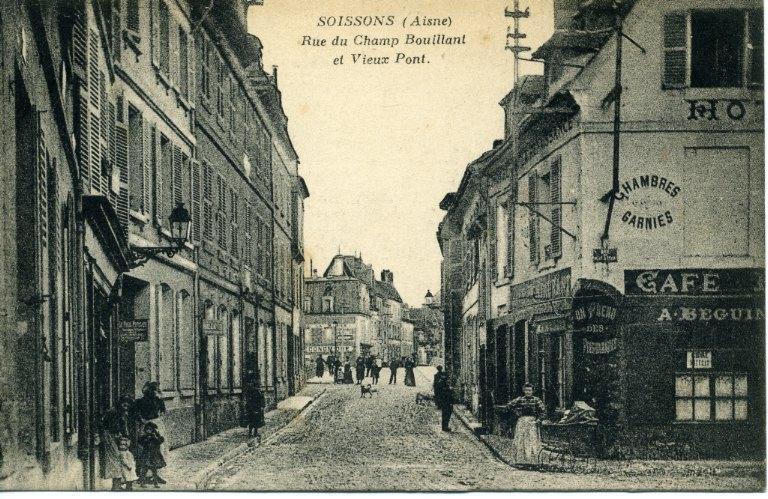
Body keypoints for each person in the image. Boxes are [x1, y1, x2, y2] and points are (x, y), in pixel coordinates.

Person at [134, 382, 168, 485]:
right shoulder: (140, 401)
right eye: (154, 389)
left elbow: (163, 411)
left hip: (157, 424)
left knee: (159, 449)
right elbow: (136, 413)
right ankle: (144, 475)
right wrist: (142, 420)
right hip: (146, 426)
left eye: (156, 390)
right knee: (145, 449)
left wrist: (159, 418)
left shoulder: (158, 400)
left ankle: (156, 475)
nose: (155, 391)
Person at [507, 383, 546, 468]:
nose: (528, 392)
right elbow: (509, 406)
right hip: (522, 422)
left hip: (532, 422)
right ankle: (520, 461)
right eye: (526, 390)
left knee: (532, 440)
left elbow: (543, 412)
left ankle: (534, 462)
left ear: (532, 391)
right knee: (521, 440)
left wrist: (538, 420)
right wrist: (517, 413)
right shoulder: (520, 399)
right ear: (523, 391)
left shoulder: (536, 400)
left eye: (530, 390)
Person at [101, 396, 135, 490]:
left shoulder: (122, 413)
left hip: (116, 437)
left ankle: (117, 485)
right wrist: (121, 436)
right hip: (111, 437)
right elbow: (112, 427)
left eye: (128, 404)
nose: (126, 405)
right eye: (124, 403)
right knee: (115, 460)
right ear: (120, 403)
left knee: (119, 459)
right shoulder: (113, 412)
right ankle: (116, 486)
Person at [136, 422, 166, 488]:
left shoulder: (155, 436)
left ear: (153, 430)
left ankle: (155, 483)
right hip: (146, 455)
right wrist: (146, 439)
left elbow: (160, 441)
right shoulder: (144, 437)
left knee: (154, 470)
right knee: (144, 469)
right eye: (147, 429)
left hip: (153, 455)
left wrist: (155, 436)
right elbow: (140, 442)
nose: (149, 430)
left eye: (150, 429)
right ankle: (142, 482)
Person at [433, 365, 453, 431]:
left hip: (444, 399)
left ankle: (445, 426)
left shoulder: (438, 376)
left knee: (446, 413)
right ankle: (445, 427)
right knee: (446, 413)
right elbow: (437, 388)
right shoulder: (442, 378)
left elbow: (435, 387)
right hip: (445, 399)